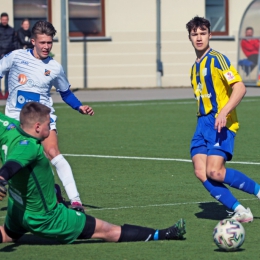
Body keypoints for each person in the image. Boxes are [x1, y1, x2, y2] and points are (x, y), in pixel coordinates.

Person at [0, 102, 186, 244]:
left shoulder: (10, 129)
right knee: (108, 230)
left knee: (7, 234)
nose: (51, 128)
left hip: (19, 210)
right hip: (46, 218)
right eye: (49, 124)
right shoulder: (29, 148)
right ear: (38, 127)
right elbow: (12, 165)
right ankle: (164, 234)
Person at [0, 20, 94, 212]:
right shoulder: (16, 57)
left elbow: (65, 92)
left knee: (53, 154)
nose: (46, 46)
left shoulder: (55, 67)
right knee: (21, 162)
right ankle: (51, 191)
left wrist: (79, 107)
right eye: (42, 42)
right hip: (15, 120)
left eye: (49, 43)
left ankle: (75, 201)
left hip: (42, 120)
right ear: (33, 41)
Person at [186, 16, 260, 223]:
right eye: (195, 34)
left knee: (215, 172)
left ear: (210, 35)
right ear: (190, 38)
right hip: (202, 124)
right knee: (201, 171)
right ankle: (240, 211)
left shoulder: (218, 59)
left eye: (203, 33)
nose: (199, 38)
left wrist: (224, 112)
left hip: (221, 123)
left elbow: (240, 87)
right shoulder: (194, 68)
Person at [0, 12, 16, 100]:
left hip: (8, 55)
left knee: (8, 75)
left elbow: (14, 43)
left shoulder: (12, 30)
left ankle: (7, 92)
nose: (4, 21)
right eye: (3, 19)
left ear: (8, 20)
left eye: (6, 20)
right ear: (1, 19)